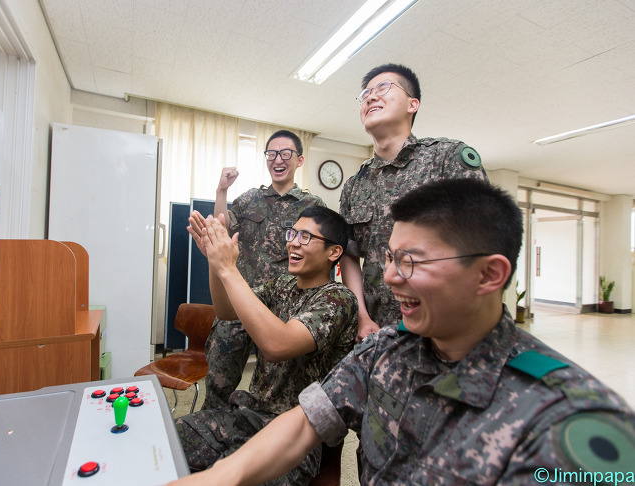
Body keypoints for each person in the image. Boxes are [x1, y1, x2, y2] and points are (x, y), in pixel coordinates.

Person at [168, 178, 635, 485]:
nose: (390, 278)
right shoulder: (386, 350)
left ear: (489, 275)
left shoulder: (573, 418)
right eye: (390, 258)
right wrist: (219, 477)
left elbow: (277, 346)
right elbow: (306, 420)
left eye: (410, 261)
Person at [178, 206, 357, 485]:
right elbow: (226, 311)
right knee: (167, 441)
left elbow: (277, 346)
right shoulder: (281, 285)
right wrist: (216, 264)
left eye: (306, 237)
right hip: (249, 415)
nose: (293, 243)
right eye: (292, 234)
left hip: (294, 436)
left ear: (334, 252)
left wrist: (229, 269)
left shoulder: (339, 300)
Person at [340, 63, 488, 342]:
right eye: (366, 93)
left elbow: (480, 244)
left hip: (440, 329)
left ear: (412, 104)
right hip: (375, 333)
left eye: (383, 87)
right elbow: (350, 256)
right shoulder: (354, 185)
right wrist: (362, 318)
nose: (371, 97)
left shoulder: (446, 160)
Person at [201, 130, 326, 410]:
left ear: (299, 160)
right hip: (240, 301)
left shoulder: (312, 206)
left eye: (285, 153)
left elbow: (320, 254)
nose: (277, 159)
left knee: (275, 393)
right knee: (219, 381)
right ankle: (210, 428)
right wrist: (221, 191)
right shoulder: (249, 199)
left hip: (282, 311)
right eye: (271, 153)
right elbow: (222, 228)